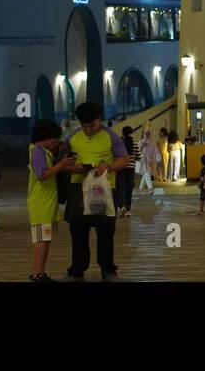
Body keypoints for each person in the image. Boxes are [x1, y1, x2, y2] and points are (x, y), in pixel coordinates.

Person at [64, 102, 132, 281]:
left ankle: (108, 270)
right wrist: (77, 168)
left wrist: (108, 167)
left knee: (105, 233)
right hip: (78, 190)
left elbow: (124, 159)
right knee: (78, 233)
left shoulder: (111, 136)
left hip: (105, 191)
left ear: (100, 120)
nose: (88, 130)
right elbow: (64, 164)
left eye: (92, 125)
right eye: (84, 126)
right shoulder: (71, 137)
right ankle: (76, 271)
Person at [27, 119, 77, 283]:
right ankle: (37, 274)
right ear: (44, 137)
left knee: (44, 239)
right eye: (54, 140)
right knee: (41, 240)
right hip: (41, 204)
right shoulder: (38, 152)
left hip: (46, 204)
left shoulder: (43, 152)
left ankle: (40, 272)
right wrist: (62, 165)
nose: (55, 143)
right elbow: (41, 175)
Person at [115, 126, 138, 217]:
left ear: (123, 133)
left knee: (120, 188)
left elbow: (116, 155)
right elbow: (139, 156)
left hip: (121, 168)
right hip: (131, 170)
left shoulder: (120, 144)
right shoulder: (134, 144)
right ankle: (128, 209)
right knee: (129, 189)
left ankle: (122, 206)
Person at [138, 127, 159, 192]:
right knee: (147, 172)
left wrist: (158, 159)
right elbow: (138, 151)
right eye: (146, 133)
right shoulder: (141, 142)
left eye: (149, 133)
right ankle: (150, 188)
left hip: (151, 161)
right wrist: (142, 146)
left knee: (147, 173)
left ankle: (141, 187)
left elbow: (156, 151)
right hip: (143, 160)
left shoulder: (153, 142)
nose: (147, 135)